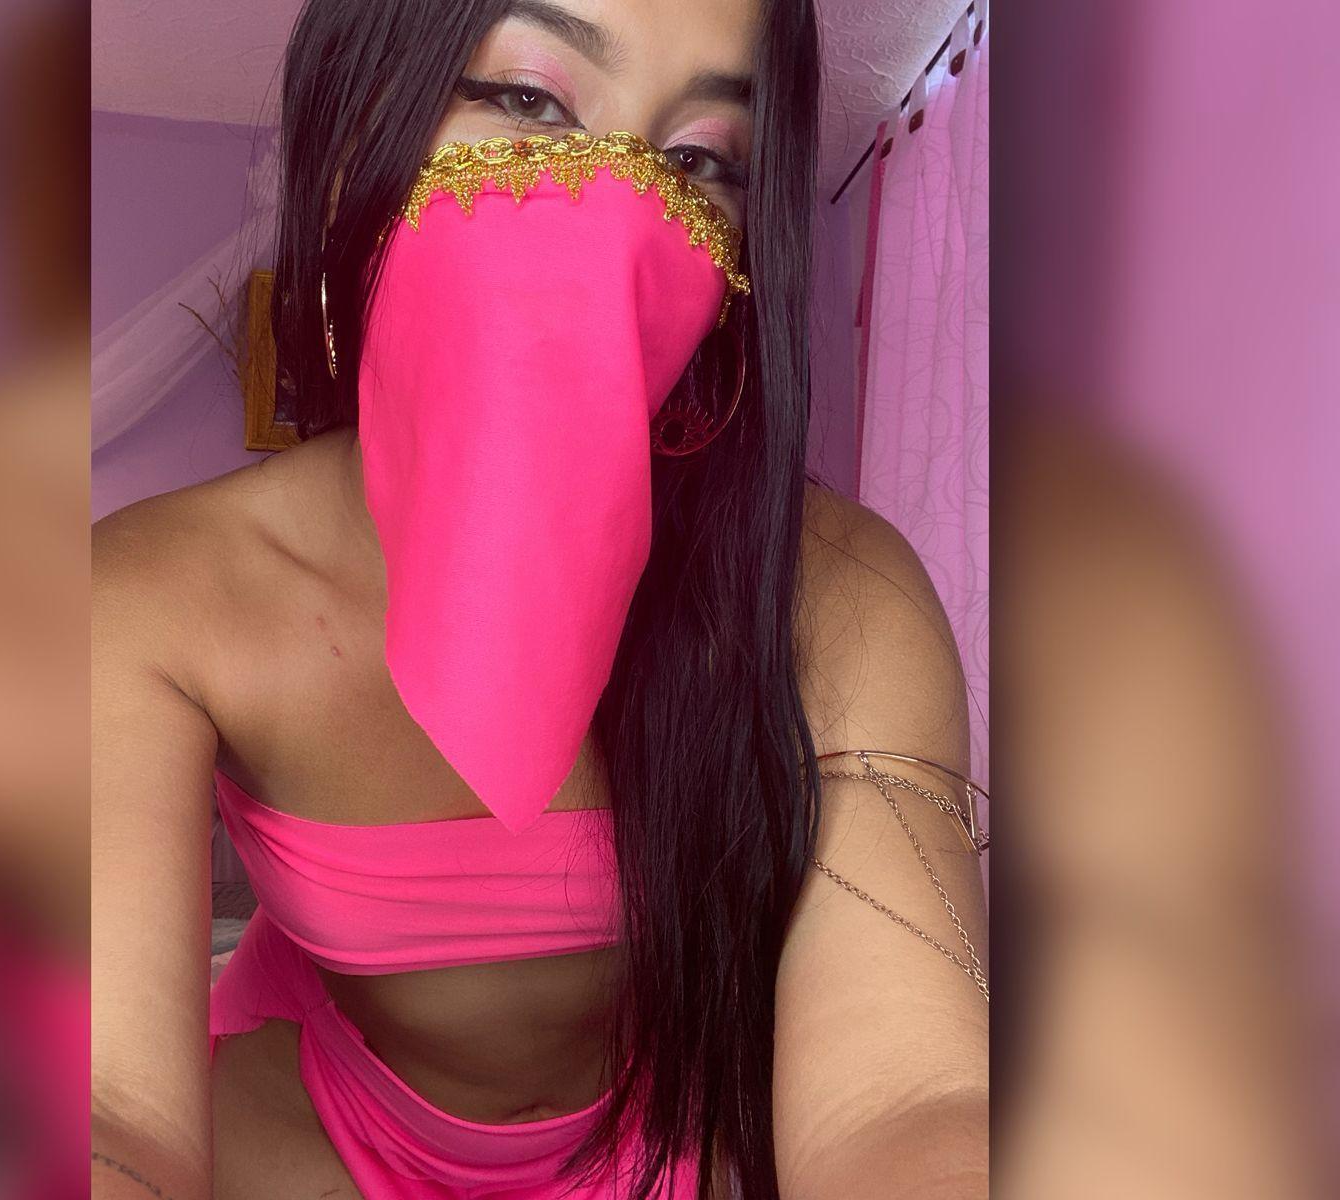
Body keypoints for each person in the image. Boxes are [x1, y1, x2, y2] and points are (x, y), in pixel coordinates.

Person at [92, 2, 988, 1197]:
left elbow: (908, 1097)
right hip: (309, 1134)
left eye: (698, 161)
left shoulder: (835, 595)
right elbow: (105, 1108)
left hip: (676, 1145)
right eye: (528, 101)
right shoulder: (153, 592)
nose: (617, 203)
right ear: (358, 142)